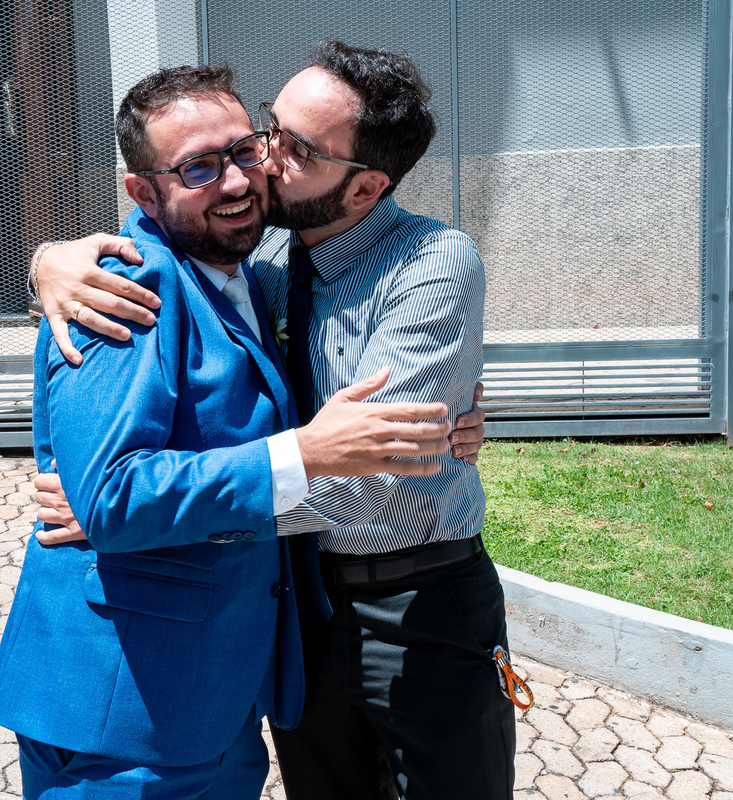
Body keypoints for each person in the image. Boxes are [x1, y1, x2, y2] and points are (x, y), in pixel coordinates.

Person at [32, 42, 515, 800]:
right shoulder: (260, 264)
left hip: (415, 605)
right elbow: (159, 228)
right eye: (270, 130)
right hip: (294, 610)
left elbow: (373, 490)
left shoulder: (429, 261)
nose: (262, 162)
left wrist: (150, 512)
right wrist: (48, 260)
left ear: (365, 189)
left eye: (295, 149)